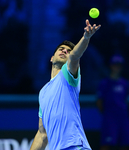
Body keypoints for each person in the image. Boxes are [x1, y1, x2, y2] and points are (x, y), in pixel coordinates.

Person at [30, 19, 101, 150]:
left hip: (75, 146)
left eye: (68, 51)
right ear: (52, 58)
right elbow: (42, 134)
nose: (64, 51)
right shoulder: (43, 92)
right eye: (61, 49)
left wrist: (86, 38)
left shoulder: (67, 75)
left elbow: (74, 56)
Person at [97, 55, 129, 150]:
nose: (117, 68)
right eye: (115, 65)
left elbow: (125, 99)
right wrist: (108, 114)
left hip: (123, 116)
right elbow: (99, 102)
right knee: (107, 143)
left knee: (125, 143)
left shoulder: (125, 83)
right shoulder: (105, 83)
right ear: (111, 66)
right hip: (110, 117)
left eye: (119, 65)